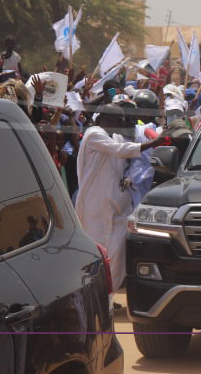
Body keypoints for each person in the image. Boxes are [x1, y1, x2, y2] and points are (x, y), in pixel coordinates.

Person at [75, 104, 163, 290]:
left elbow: (123, 159)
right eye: (119, 120)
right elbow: (121, 150)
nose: (123, 124)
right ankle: (97, 293)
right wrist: (156, 141)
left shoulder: (113, 136)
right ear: (106, 119)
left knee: (116, 249)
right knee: (97, 251)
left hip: (116, 205)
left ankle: (107, 292)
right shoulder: (94, 134)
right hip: (95, 206)